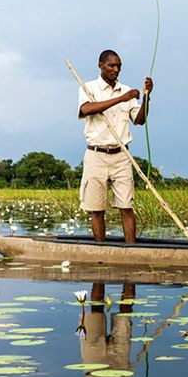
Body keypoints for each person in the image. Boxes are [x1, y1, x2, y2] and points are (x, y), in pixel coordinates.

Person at [78, 49, 152, 244]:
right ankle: (101, 250)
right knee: (97, 209)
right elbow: (86, 109)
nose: (116, 69)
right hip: (96, 154)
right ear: (100, 65)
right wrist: (121, 99)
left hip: (121, 156)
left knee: (126, 206)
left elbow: (139, 120)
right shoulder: (89, 88)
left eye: (119, 66)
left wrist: (146, 97)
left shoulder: (126, 90)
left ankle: (131, 251)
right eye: (112, 65)